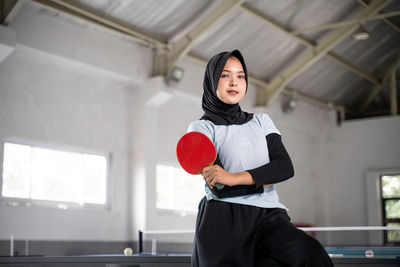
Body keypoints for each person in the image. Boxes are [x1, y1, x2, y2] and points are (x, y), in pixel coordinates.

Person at [187, 50, 333, 267]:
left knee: (310, 252)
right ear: (212, 81)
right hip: (224, 221)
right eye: (225, 75)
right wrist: (262, 179)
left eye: (241, 76)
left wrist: (233, 177)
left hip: (269, 218)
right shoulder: (201, 128)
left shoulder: (261, 122)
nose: (234, 82)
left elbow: (284, 167)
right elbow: (220, 188)